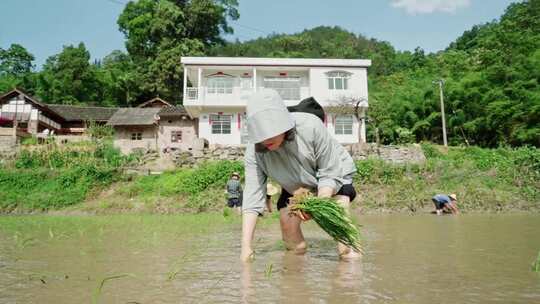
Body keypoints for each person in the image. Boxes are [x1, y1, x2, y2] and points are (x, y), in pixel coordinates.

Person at [241, 89, 359, 262]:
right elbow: (252, 197)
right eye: (261, 136)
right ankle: (296, 266)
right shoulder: (254, 152)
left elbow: (329, 173)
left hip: (332, 177)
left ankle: (351, 268)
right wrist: (246, 248)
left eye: (271, 132)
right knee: (289, 232)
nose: (266, 140)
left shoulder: (311, 126)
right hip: (294, 185)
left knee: (345, 242)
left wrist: (318, 205)